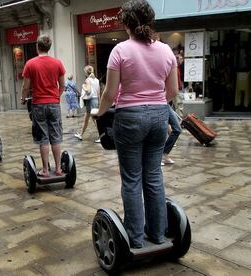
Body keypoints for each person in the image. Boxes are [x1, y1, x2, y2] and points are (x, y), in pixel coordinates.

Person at [92, 0, 178, 248]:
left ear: (126, 24)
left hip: (129, 117)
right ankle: (158, 234)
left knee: (131, 179)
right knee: (153, 176)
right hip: (160, 115)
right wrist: (155, 104)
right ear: (150, 21)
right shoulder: (166, 51)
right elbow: (172, 90)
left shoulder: (120, 51)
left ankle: (135, 238)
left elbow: (110, 93)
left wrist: (100, 112)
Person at [21, 34, 66, 177]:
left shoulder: (30, 64)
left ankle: (46, 170)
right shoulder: (57, 63)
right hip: (54, 103)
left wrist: (23, 98)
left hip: (38, 104)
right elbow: (62, 85)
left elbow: (25, 87)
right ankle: (58, 169)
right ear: (49, 47)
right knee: (56, 136)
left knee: (43, 138)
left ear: (37, 47)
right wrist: (56, 97)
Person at [74, 65, 100, 142]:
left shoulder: (88, 80)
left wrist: (83, 87)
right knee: (87, 118)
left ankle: (102, 136)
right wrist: (99, 101)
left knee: (94, 119)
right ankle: (81, 134)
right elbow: (98, 93)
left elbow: (88, 91)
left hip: (91, 101)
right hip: (95, 100)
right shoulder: (97, 80)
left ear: (86, 72)